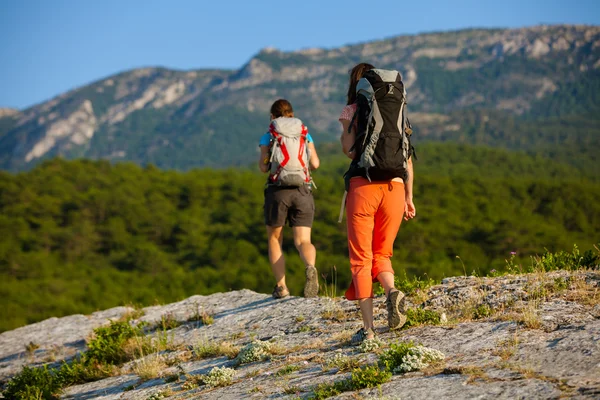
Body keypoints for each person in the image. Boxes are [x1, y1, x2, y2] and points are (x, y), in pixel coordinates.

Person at [338, 63, 416, 343]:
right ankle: (391, 291)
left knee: (361, 259)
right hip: (395, 188)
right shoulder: (398, 110)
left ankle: (369, 330)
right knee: (382, 253)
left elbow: (349, 149)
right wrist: (408, 197)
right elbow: (407, 157)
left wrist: (350, 134)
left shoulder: (351, 109)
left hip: (364, 187)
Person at [258, 99, 321, 299]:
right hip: (302, 191)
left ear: (272, 117)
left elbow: (263, 167)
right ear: (292, 114)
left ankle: (282, 287)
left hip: (278, 192)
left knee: (275, 238)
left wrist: (268, 158)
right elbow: (316, 164)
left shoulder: (269, 136)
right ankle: (310, 266)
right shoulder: (304, 133)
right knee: (303, 240)